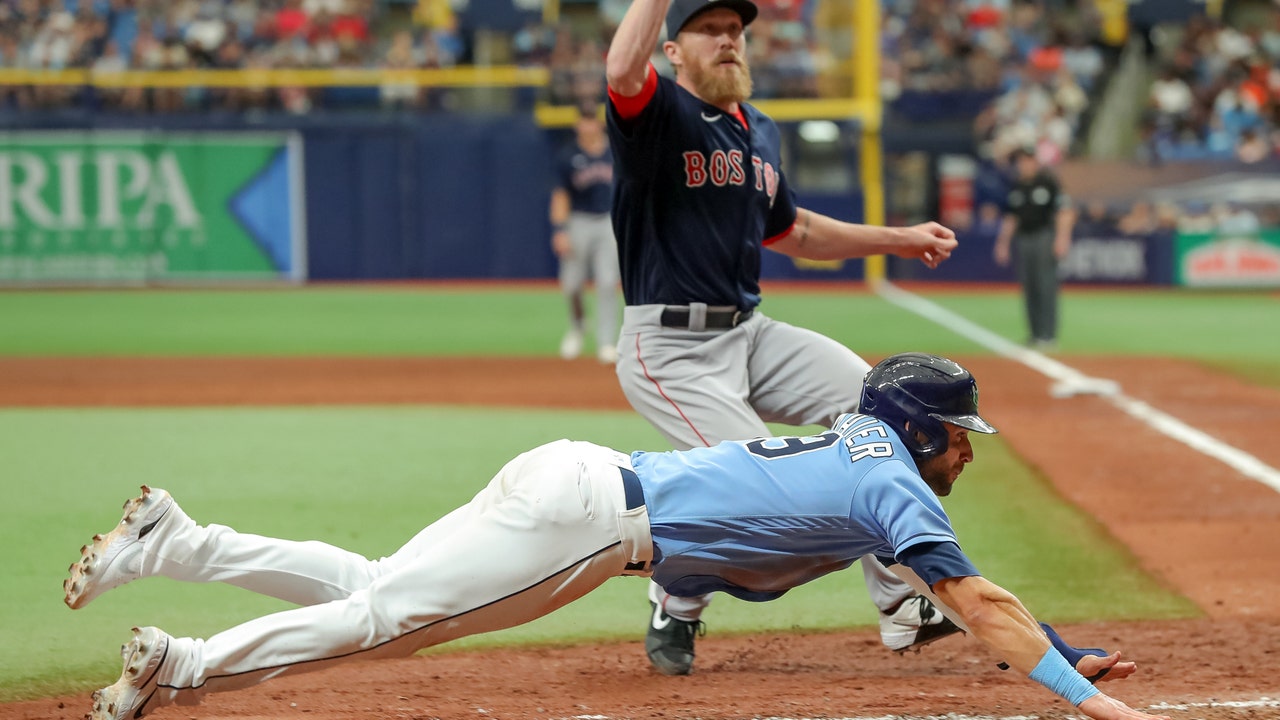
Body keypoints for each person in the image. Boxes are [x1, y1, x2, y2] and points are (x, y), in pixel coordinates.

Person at [65, 352, 1169, 720]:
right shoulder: (901, 494)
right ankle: (184, 668)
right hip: (597, 527)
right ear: (923, 432)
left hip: (571, 472)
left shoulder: (858, 452)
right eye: (960, 437)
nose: (968, 454)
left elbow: (963, 599)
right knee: (389, 622)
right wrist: (1086, 698)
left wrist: (1060, 645)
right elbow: (972, 603)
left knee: (380, 581)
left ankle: (179, 542)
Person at [603, 0, 962, 675]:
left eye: (735, 30)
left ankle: (900, 608)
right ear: (673, 50)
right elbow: (622, 69)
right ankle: (675, 595)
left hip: (749, 330)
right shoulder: (659, 116)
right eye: (708, 30)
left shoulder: (758, 129)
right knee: (762, 489)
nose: (728, 40)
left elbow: (793, 233)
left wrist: (898, 240)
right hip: (672, 348)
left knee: (880, 410)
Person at [550, 101, 621, 364]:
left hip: (607, 221)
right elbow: (560, 195)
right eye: (584, 119)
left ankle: (606, 342)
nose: (588, 124)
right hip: (578, 221)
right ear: (577, 124)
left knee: (606, 282)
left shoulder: (615, 151)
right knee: (571, 284)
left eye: (592, 119)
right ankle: (578, 327)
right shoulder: (568, 156)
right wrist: (560, 230)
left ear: (599, 123)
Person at [993, 148, 1075, 350]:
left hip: (1044, 236)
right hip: (1024, 238)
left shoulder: (1048, 183)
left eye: (1029, 160)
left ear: (1036, 162)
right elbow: (1011, 217)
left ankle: (1048, 335)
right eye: (1022, 161)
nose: (1025, 164)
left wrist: (1062, 239)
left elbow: (1064, 211)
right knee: (1029, 286)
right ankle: (1035, 333)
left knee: (1045, 285)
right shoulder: (1017, 186)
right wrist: (1003, 243)